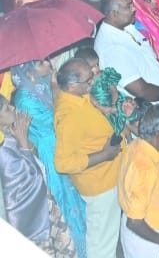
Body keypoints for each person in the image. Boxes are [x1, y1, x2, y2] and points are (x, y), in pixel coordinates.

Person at [10, 61, 87, 257]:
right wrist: (55, 88)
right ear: (30, 69)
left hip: (58, 144)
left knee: (75, 201)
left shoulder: (39, 86)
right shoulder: (24, 98)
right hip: (49, 153)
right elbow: (56, 120)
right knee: (64, 202)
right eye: (43, 62)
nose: (49, 63)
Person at [54, 58, 123, 258]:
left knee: (109, 234)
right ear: (72, 86)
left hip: (108, 176)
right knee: (101, 243)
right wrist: (104, 155)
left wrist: (106, 107)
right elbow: (63, 163)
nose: (93, 81)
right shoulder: (68, 117)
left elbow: (90, 108)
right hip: (99, 185)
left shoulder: (77, 96)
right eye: (89, 80)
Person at [0, 93, 78, 256]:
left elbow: (37, 164)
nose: (13, 108)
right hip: (32, 220)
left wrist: (25, 141)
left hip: (44, 205)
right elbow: (27, 185)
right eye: (7, 108)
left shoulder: (12, 133)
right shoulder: (3, 151)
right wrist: (24, 146)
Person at [117, 105, 159, 257]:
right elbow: (134, 222)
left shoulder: (137, 145)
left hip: (139, 221)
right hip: (146, 235)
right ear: (158, 134)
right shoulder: (145, 168)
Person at [94, 0, 159, 102]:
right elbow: (141, 91)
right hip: (152, 108)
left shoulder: (127, 26)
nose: (134, 9)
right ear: (114, 14)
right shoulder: (111, 48)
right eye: (129, 6)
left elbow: (151, 58)